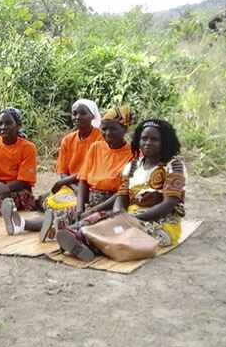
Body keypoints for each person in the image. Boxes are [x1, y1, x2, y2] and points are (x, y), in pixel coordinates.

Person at [57, 118, 186, 261]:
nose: (148, 142)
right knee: (100, 218)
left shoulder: (174, 166)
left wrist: (131, 219)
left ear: (165, 142)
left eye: (154, 139)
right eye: (144, 138)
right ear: (138, 140)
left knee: (121, 233)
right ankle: (78, 235)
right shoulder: (133, 166)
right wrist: (119, 214)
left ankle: (87, 243)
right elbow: (122, 196)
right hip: (130, 216)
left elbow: (168, 204)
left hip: (161, 222)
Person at [15, 105, 135, 240]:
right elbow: (83, 179)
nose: (107, 133)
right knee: (65, 214)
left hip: (111, 203)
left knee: (90, 220)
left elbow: (122, 192)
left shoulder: (132, 154)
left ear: (125, 128)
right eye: (104, 129)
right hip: (90, 198)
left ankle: (63, 233)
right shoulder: (96, 147)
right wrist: (80, 208)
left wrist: (93, 209)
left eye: (113, 128)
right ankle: (21, 223)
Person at [40, 98, 103, 223]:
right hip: (71, 185)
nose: (77, 117)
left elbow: (92, 170)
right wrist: (72, 186)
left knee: (77, 206)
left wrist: (63, 183)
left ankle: (56, 223)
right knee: (50, 202)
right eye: (74, 114)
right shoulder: (68, 140)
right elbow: (63, 170)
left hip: (91, 186)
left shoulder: (101, 138)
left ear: (92, 116)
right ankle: (58, 221)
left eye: (83, 113)